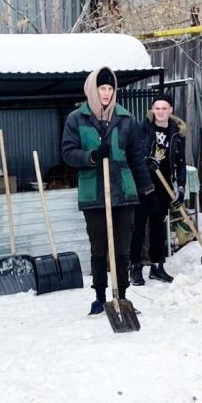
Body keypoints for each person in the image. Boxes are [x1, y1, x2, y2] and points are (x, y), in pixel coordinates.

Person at [61, 67, 155, 315]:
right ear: (93, 89)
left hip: (123, 193)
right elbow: (68, 153)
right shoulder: (76, 118)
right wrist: (91, 156)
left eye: (110, 88)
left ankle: (122, 296)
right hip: (94, 195)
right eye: (102, 88)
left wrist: (147, 188)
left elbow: (136, 157)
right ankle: (100, 297)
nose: (106, 93)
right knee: (99, 249)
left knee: (122, 250)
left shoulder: (126, 119)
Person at [130, 92, 188, 286]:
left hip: (163, 187)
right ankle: (135, 268)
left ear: (170, 110)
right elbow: (133, 154)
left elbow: (180, 163)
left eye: (164, 108)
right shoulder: (143, 128)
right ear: (152, 109)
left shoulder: (176, 133)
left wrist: (180, 187)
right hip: (143, 185)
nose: (160, 112)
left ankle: (157, 267)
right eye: (157, 108)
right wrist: (146, 161)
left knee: (158, 229)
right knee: (138, 228)